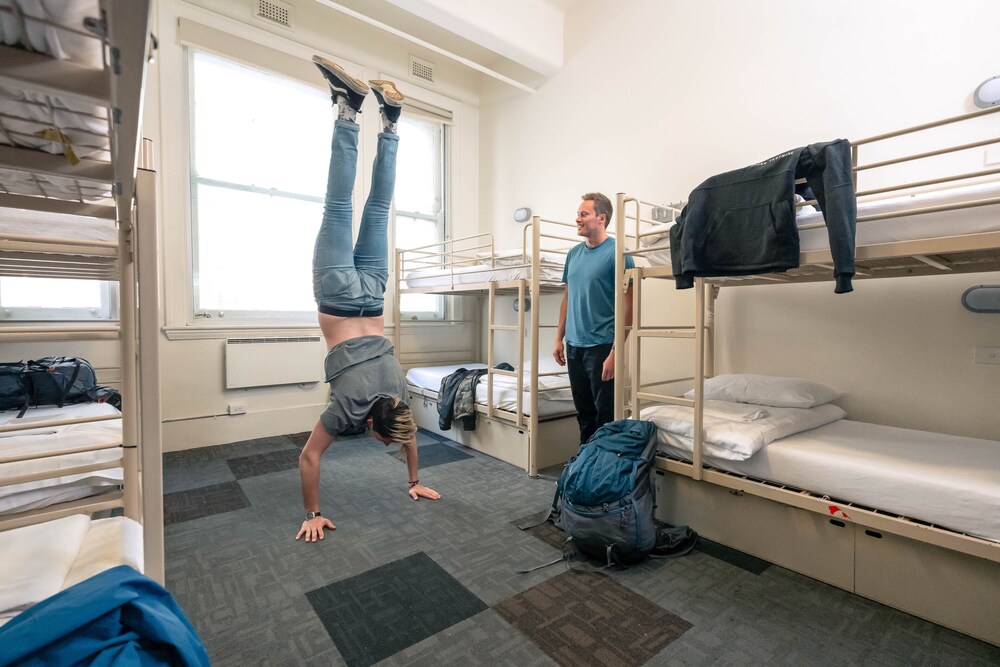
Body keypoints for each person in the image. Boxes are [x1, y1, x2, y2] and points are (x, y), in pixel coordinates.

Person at [296, 56, 441, 544]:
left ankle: (392, 121)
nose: (393, 443)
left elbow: (411, 434)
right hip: (338, 296)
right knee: (338, 204)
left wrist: (415, 478)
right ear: (373, 429)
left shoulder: (397, 391)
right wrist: (312, 512)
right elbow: (309, 456)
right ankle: (348, 110)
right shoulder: (348, 411)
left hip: (374, 294)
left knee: (378, 208)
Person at [553, 193, 634, 444]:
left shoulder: (619, 253)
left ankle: (602, 466)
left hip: (601, 348)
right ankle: (585, 465)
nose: (577, 219)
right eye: (578, 214)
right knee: (584, 414)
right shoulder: (573, 254)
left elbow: (630, 307)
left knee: (605, 415)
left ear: (602, 218)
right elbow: (568, 297)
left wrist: (615, 351)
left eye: (583, 214)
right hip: (574, 346)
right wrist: (559, 338)